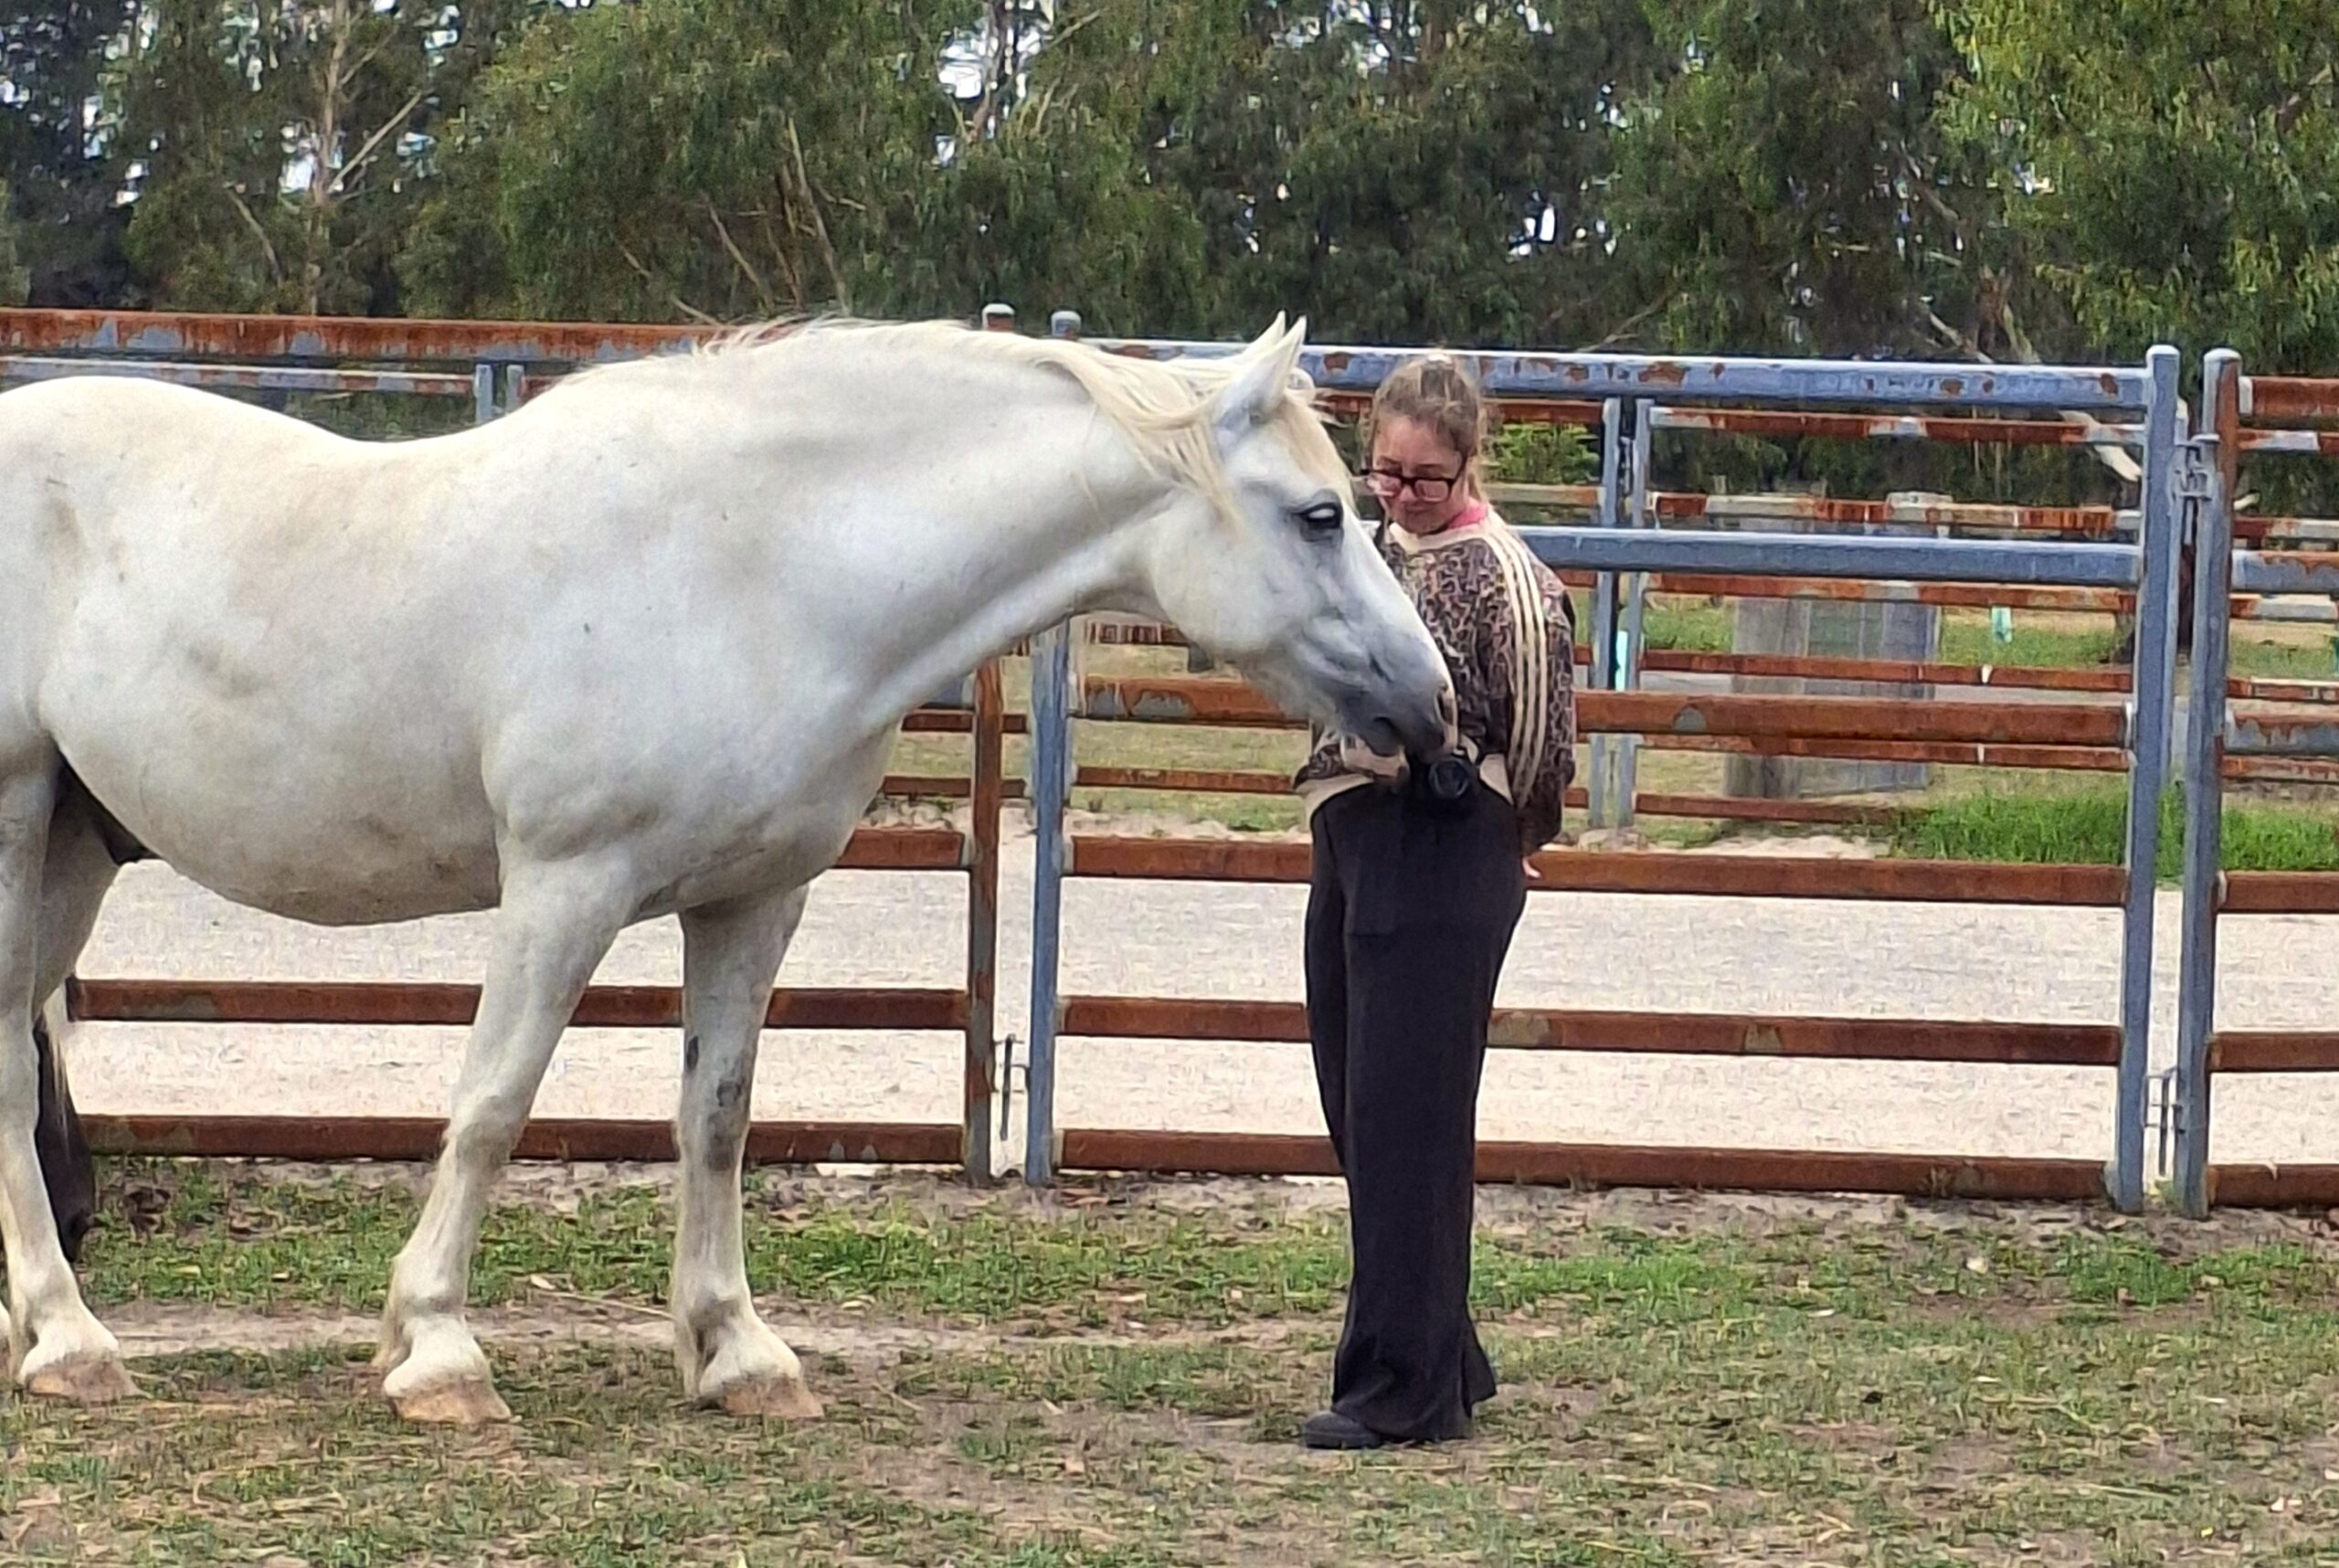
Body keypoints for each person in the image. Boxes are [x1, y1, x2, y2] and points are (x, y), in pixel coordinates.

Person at [1290, 355, 1578, 1450]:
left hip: (1446, 839)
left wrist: (1514, 836)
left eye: (1426, 479)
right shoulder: (1365, 558)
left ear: (1468, 464)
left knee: (1409, 1114)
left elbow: (1546, 728)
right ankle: (1439, 1348)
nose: (1403, 497)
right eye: (1386, 476)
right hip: (1354, 835)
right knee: (1359, 1102)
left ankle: (1397, 1388)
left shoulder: (1507, 575)